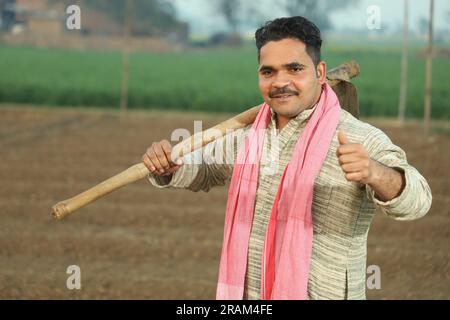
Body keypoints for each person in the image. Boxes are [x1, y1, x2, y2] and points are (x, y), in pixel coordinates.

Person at [141, 16, 432, 300]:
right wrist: (170, 166)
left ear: (320, 73)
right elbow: (205, 170)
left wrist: (374, 172)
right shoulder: (249, 136)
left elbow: (418, 201)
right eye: (268, 72)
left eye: (294, 69)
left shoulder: (361, 139)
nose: (280, 82)